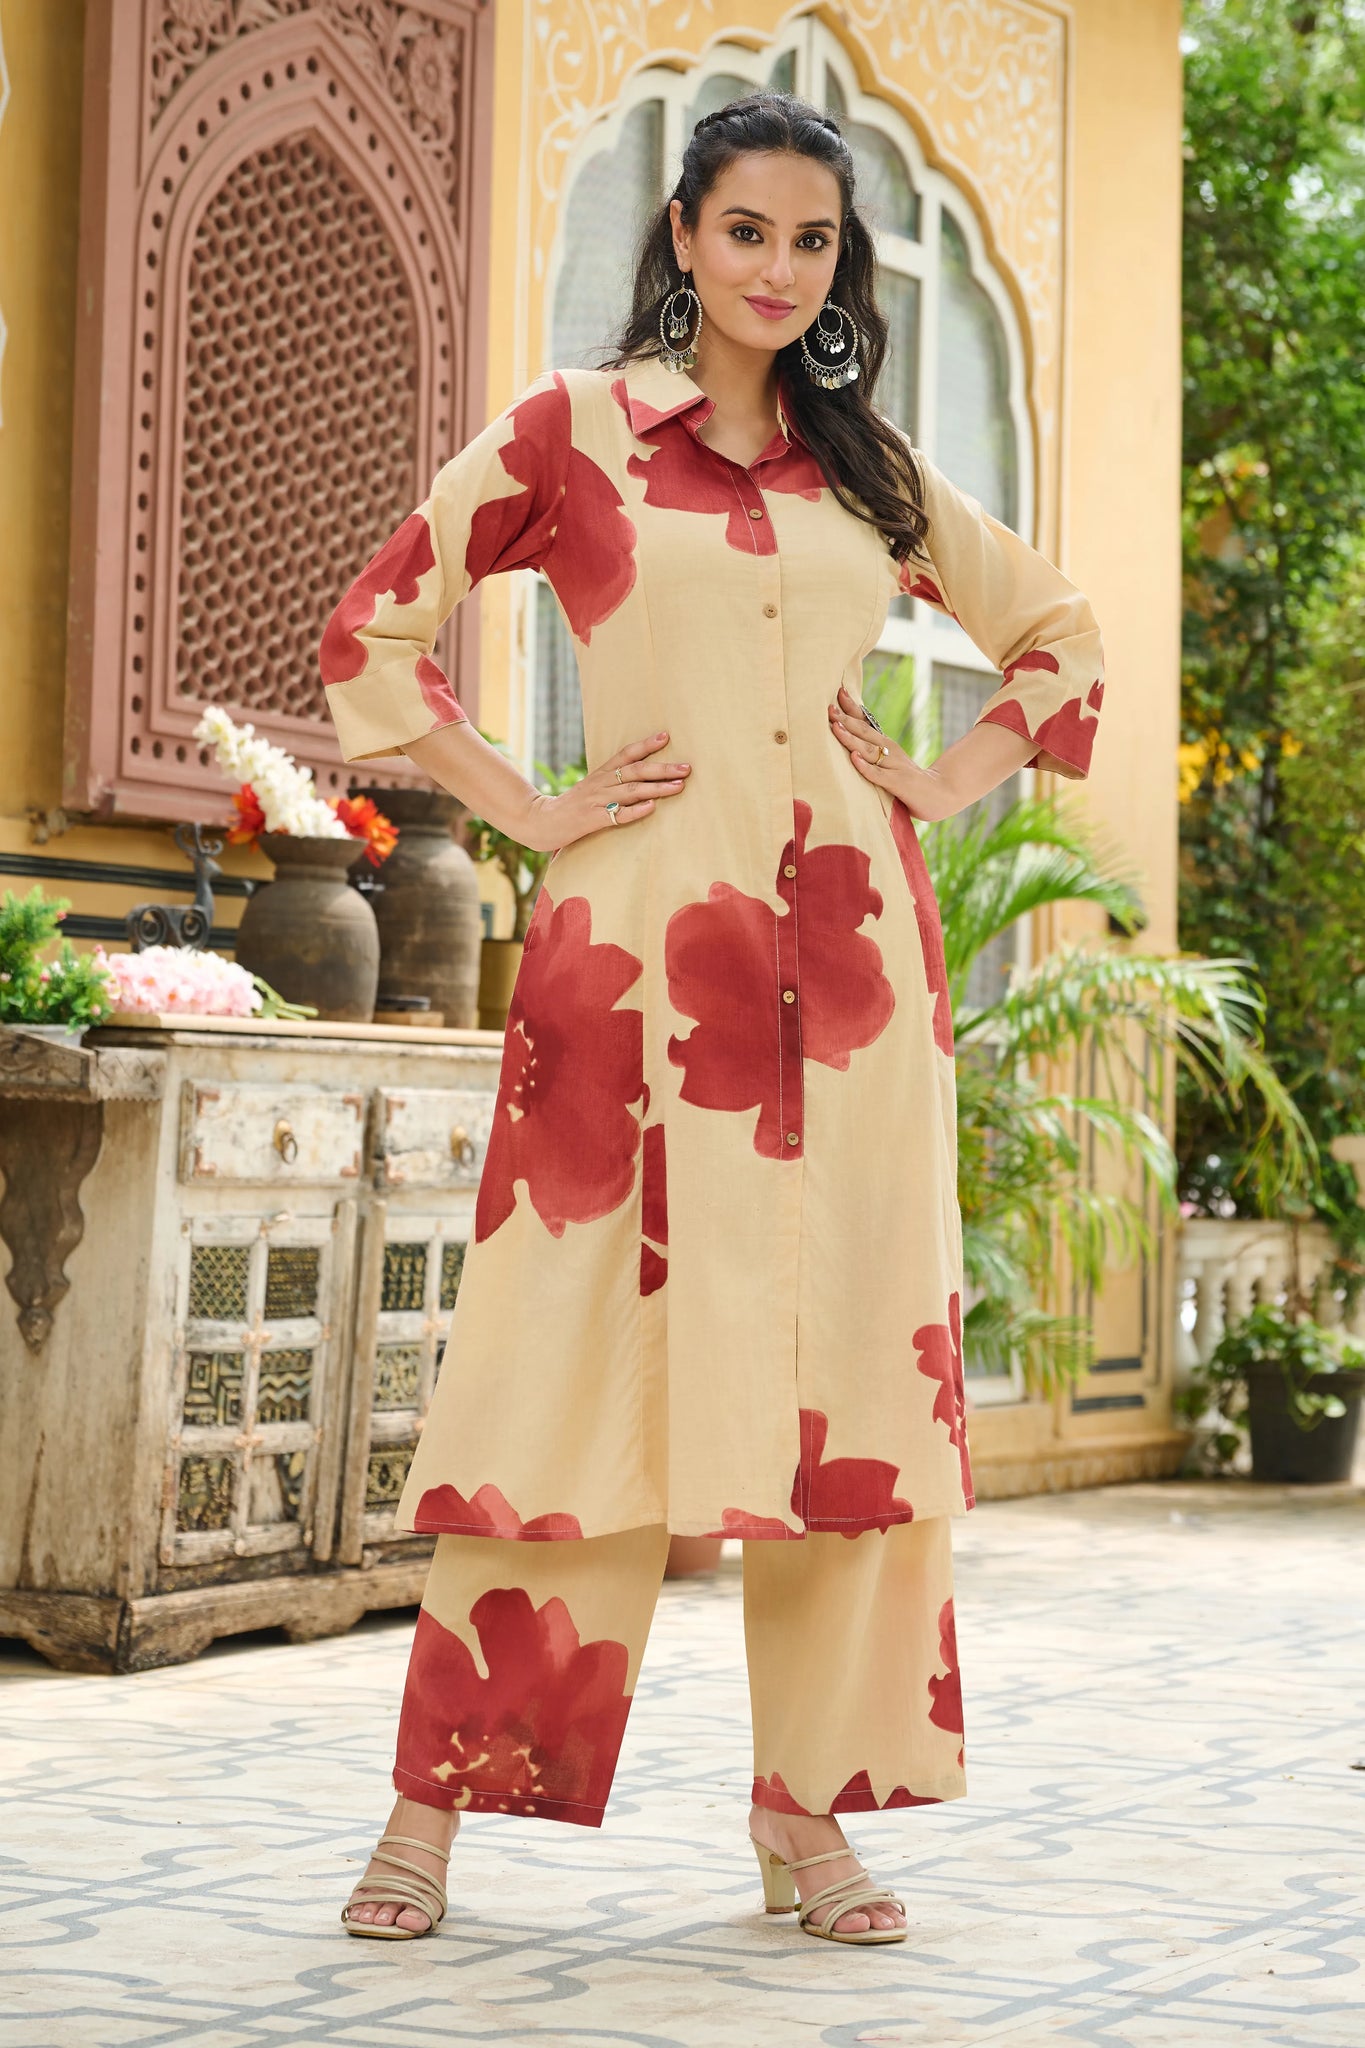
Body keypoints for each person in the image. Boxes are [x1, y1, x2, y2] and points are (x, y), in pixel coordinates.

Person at [322, 91, 1103, 1947]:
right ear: (682, 233)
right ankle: (433, 1810)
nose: (777, 267)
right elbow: (374, 629)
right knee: (558, 1373)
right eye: (745, 229)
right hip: (627, 977)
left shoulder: (869, 472)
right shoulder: (572, 432)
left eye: (811, 240)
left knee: (853, 1391)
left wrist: (939, 780)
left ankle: (805, 1818)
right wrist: (523, 809)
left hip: (851, 993)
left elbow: (1058, 631)